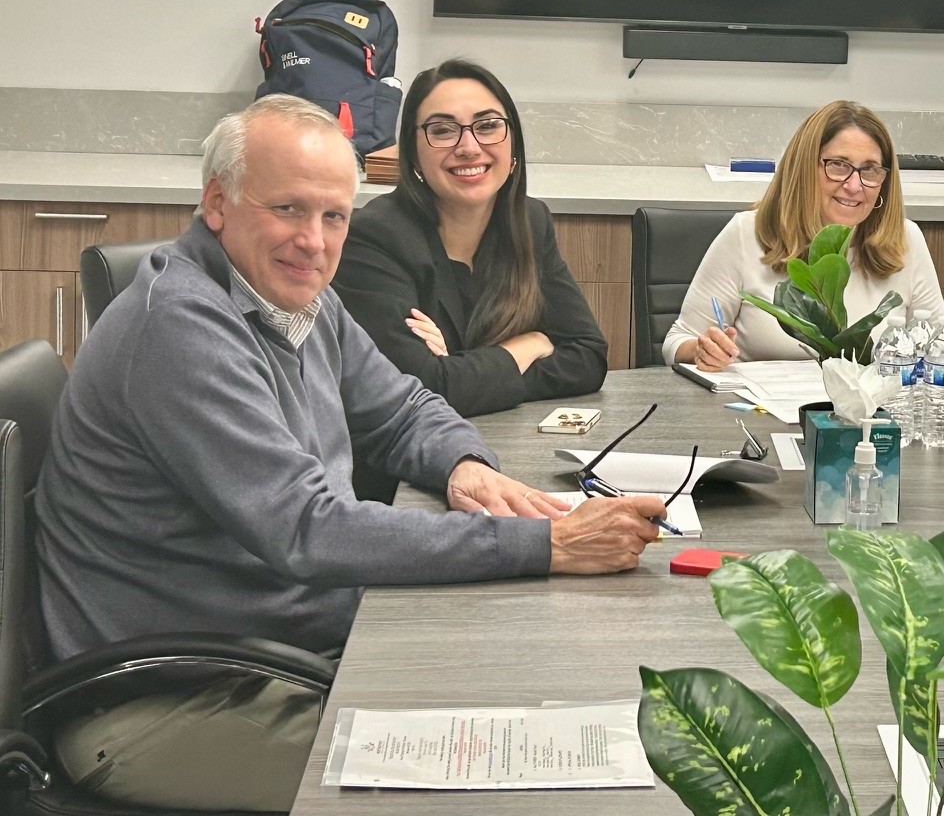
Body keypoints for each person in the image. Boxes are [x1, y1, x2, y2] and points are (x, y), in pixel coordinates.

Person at [34, 96, 666, 811]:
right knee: (487, 782)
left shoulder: (295, 295)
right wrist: (543, 542)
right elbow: (308, 528)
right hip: (166, 701)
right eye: (288, 209)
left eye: (334, 216)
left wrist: (466, 466)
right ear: (217, 203)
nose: (314, 240)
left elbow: (401, 406)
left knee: (527, 687)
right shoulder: (181, 328)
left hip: (279, 653)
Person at [334, 58, 609, 417]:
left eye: (488, 125)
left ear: (513, 146)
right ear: (413, 154)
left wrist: (461, 374)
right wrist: (529, 345)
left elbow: (588, 357)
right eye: (443, 130)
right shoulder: (374, 237)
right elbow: (417, 389)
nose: (469, 146)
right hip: (405, 463)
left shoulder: (530, 220)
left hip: (509, 440)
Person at [663, 99, 944, 369]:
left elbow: (932, 346)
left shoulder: (906, 241)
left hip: (873, 420)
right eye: (839, 165)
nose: (854, 186)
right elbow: (677, 341)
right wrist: (701, 350)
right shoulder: (745, 235)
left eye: (870, 170)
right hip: (758, 415)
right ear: (804, 168)